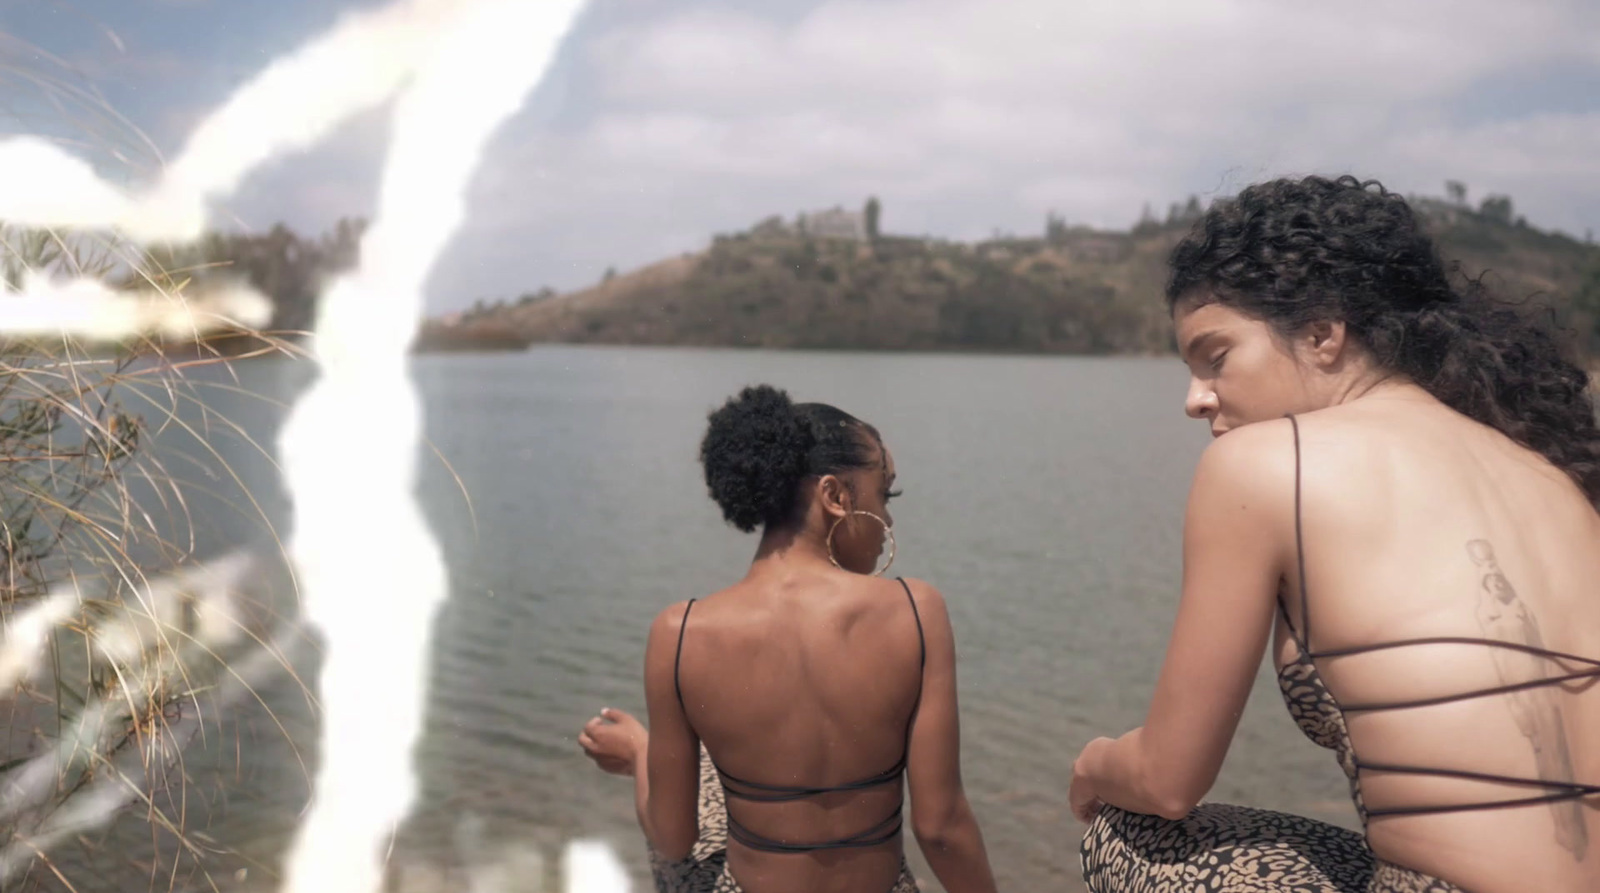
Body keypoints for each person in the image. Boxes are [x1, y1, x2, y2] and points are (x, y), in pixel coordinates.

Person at [1070, 175, 1600, 893]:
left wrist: (1094, 762)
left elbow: (1168, 780)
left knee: (1127, 827)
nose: (1195, 400)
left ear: (1322, 333)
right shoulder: (1550, 474)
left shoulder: (1260, 463)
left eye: (1215, 357)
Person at [578, 385, 997, 893]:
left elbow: (672, 838)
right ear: (836, 496)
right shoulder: (916, 611)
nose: (887, 520)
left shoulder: (679, 633)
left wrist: (642, 753)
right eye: (885, 494)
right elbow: (940, 827)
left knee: (702, 777)